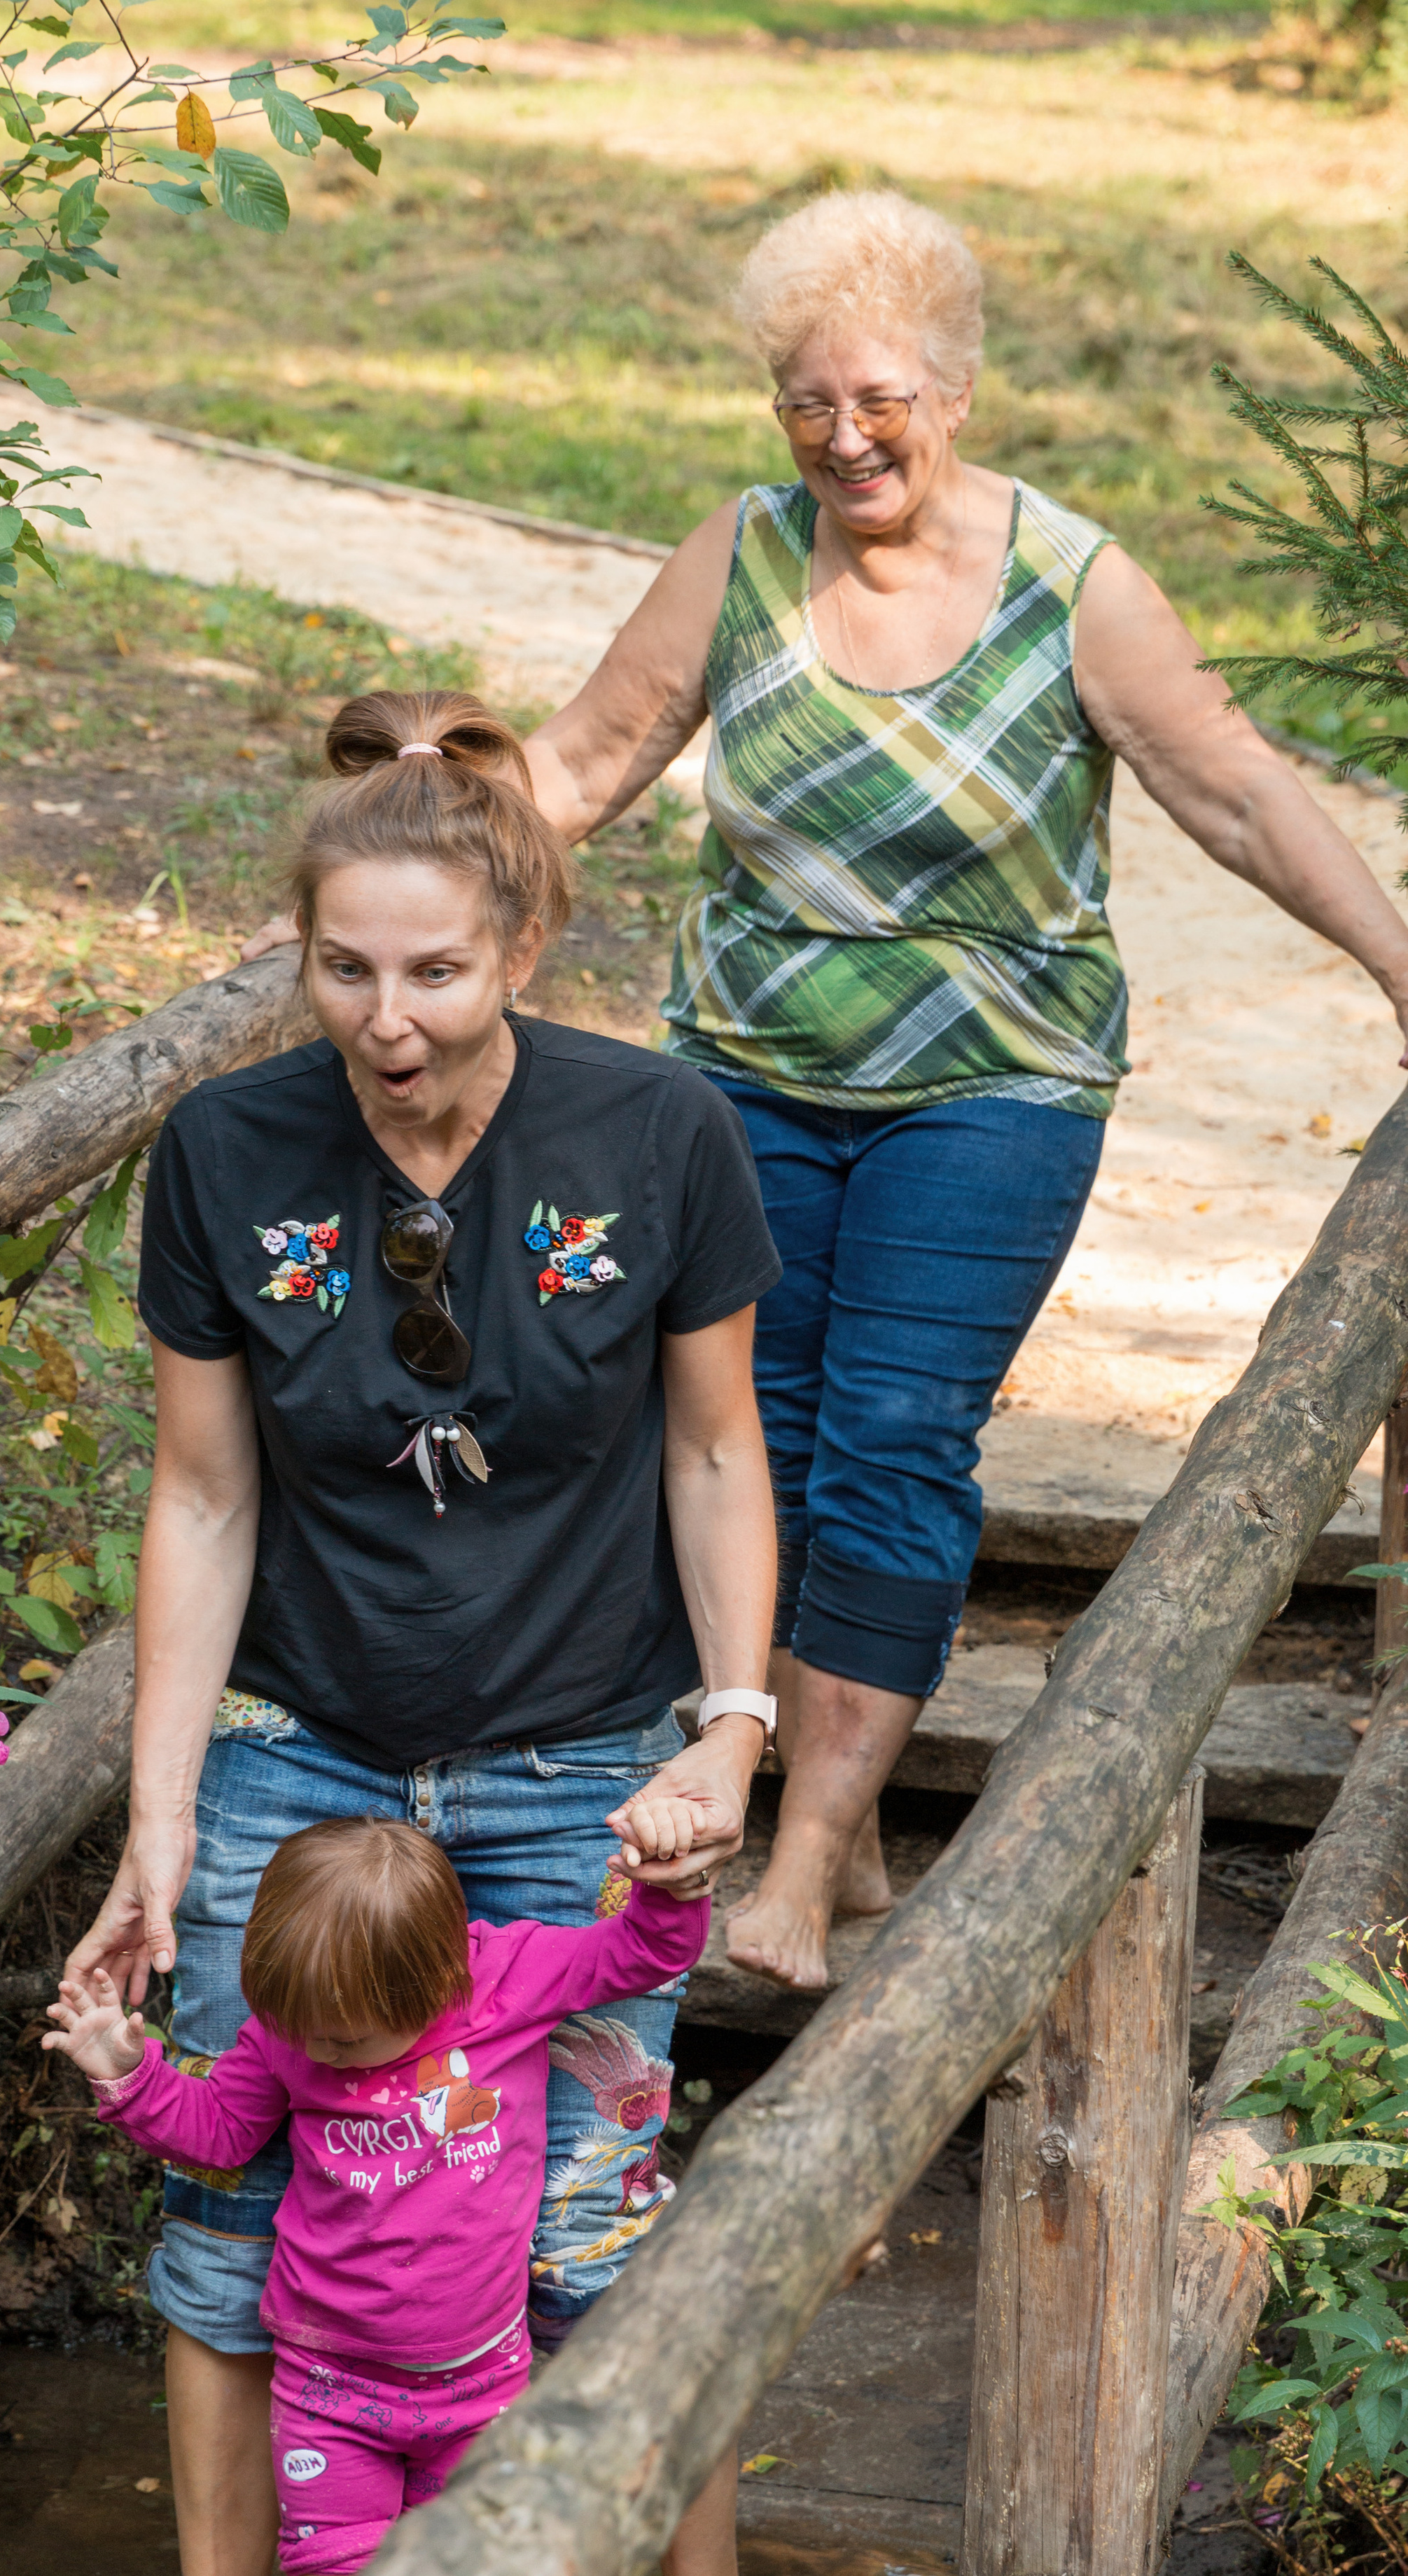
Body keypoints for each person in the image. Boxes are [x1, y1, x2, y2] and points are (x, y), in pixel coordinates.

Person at [504, 185, 1408, 1993]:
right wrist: (403, 870)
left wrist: (1396, 959)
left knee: (896, 1435)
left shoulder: (1072, 586)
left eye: (881, 400)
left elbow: (1233, 790)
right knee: (748, 1434)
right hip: (745, 1079)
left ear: (958, 392)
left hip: (995, 1087)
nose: (844, 437)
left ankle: (797, 1863)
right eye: (806, 402)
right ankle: (824, 1821)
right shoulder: (740, 557)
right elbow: (581, 764)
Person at [64, 686, 781, 2576]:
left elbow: (715, 1450)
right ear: (302, 953)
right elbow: (203, 1496)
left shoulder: (658, 1134)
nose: (388, 1020)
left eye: (437, 974)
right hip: (305, 1745)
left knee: (589, 2220)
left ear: (522, 947)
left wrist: (731, 1727)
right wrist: (162, 1814)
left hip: (579, 1754)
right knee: (233, 2216)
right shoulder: (224, 1154)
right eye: (345, 971)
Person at [48, 1814, 712, 2576]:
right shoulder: (295, 2029)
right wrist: (128, 2073)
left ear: (434, 1979)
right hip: (329, 2387)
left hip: (482, 2387)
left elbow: (642, 1954)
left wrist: (673, 1891)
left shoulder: (507, 1977)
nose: (322, 2051)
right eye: (304, 2032)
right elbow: (221, 2131)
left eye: (347, 2038)